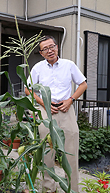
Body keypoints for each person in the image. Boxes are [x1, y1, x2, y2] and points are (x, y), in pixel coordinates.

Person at [25, 35, 87, 192]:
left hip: (67, 111)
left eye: (51, 46)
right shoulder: (38, 68)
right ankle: (48, 189)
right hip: (46, 113)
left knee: (71, 152)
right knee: (47, 154)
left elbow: (83, 84)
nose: (49, 50)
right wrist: (44, 104)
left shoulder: (69, 65)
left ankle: (73, 189)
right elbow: (28, 89)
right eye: (45, 49)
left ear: (57, 47)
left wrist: (71, 100)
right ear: (41, 52)